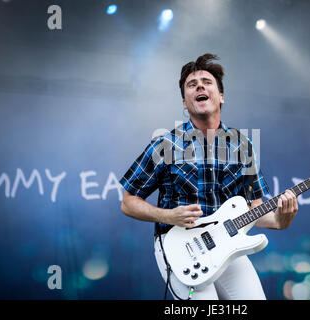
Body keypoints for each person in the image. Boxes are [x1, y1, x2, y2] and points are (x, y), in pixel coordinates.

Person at [120, 53, 298, 300]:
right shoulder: (166, 144)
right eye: (192, 85)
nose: (200, 86)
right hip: (181, 249)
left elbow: (257, 209)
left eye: (206, 82)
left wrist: (281, 220)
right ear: (185, 102)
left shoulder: (242, 146)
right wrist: (167, 215)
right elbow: (128, 201)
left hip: (227, 246)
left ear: (221, 96)